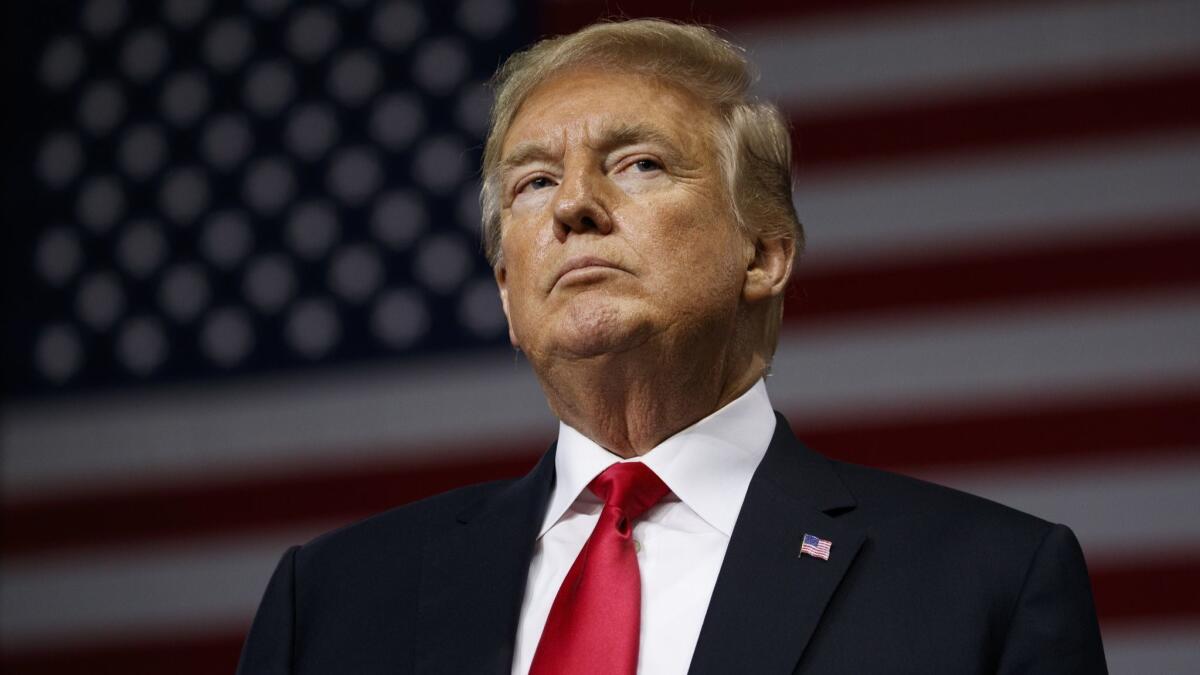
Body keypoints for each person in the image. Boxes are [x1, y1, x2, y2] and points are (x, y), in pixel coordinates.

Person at [237, 19, 1107, 675]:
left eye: (638, 163)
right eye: (534, 182)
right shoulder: (331, 603)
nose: (574, 205)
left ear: (763, 254)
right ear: (507, 290)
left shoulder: (986, 586)